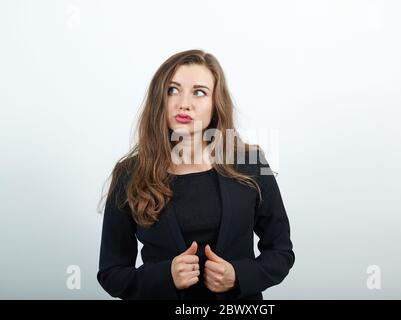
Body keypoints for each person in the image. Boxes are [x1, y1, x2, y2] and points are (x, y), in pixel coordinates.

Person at [97, 49, 295, 300]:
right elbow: (111, 274)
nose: (184, 103)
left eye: (199, 92)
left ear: (215, 103)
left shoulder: (251, 164)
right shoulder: (129, 174)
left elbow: (281, 253)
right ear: (160, 99)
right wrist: (165, 276)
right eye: (172, 90)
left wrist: (239, 275)